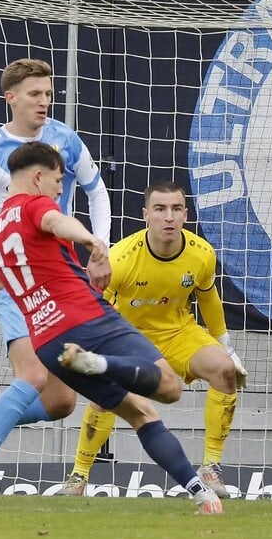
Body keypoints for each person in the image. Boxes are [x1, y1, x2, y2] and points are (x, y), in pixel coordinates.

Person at [0, 142, 221, 514]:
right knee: (169, 389)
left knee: (129, 411)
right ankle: (99, 365)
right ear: (37, 177)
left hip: (49, 342)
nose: (59, 188)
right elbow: (57, 222)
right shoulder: (36, 206)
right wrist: (89, 240)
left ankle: (202, 495)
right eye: (57, 180)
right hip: (88, 320)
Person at [0, 58, 111, 488]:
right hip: (13, 280)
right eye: (35, 94)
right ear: (10, 98)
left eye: (49, 94)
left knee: (60, 401)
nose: (44, 102)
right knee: (31, 376)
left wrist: (100, 250)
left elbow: (97, 191)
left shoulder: (65, 140)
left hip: (60, 277)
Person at [55, 180, 247, 498]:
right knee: (104, 397)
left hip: (178, 334)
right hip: (128, 338)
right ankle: (78, 478)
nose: (168, 217)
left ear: (186, 214)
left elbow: (209, 299)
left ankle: (211, 469)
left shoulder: (202, 254)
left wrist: (226, 347)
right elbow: (92, 304)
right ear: (146, 214)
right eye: (160, 209)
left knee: (226, 371)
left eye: (175, 209)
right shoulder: (121, 259)